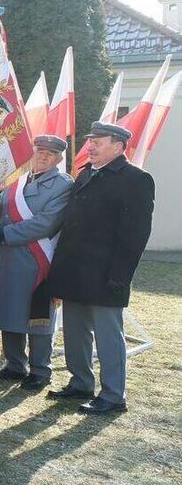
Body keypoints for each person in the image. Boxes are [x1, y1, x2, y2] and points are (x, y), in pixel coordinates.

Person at [47, 122, 155, 414]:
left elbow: (135, 235)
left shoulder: (136, 179)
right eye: (90, 140)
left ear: (118, 146)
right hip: (74, 272)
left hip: (106, 275)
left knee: (108, 336)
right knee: (75, 332)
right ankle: (81, 382)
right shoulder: (85, 175)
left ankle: (113, 395)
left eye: (98, 141)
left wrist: (120, 277)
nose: (90, 145)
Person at [0, 135, 73, 390]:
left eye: (50, 153)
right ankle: (14, 365)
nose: (43, 156)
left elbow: (46, 223)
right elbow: (0, 212)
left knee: (38, 317)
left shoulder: (63, 185)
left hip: (38, 258)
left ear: (58, 158)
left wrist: (4, 233)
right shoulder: (17, 182)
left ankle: (40, 370)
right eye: (40, 151)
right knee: (9, 311)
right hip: (10, 258)